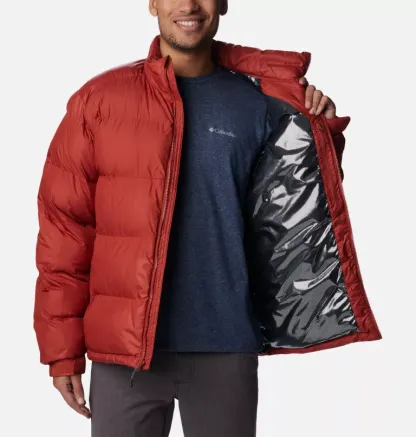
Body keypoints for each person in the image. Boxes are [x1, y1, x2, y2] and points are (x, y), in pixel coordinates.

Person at [33, 1, 382, 436]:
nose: (188, 5)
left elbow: (296, 208)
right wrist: (62, 352)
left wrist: (319, 134)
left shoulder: (260, 103)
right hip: (124, 354)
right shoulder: (100, 100)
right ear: (153, 4)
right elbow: (65, 229)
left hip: (226, 346)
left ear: (223, 4)